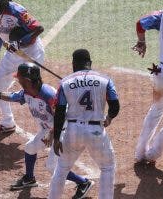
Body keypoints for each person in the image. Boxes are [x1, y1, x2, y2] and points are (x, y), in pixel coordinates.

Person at [0, 62, 93, 198]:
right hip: (49, 130)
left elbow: (63, 116)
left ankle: (83, 182)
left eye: (19, 78)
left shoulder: (48, 94)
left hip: (64, 131)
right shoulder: (27, 92)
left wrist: (52, 134)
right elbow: (12, 97)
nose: (18, 80)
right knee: (30, 148)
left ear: (27, 80)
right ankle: (29, 178)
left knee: (51, 166)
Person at [48, 49, 120, 199]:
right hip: (96, 131)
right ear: (90, 63)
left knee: (61, 169)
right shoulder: (105, 80)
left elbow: (60, 112)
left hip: (73, 131)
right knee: (107, 167)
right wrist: (109, 118)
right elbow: (115, 106)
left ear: (73, 64)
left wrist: (56, 138)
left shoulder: (65, 82)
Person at [0, 0, 45, 135]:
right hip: (12, 54)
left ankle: (49, 126)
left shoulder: (16, 11)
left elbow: (38, 28)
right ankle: (8, 123)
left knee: (33, 91)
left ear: (1, 1)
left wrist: (21, 42)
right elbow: (1, 33)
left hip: (31, 53)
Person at [133, 9, 163, 165]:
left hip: (162, 73)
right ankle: (152, 154)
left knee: (155, 111)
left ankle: (140, 152)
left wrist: (141, 42)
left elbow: (140, 24)